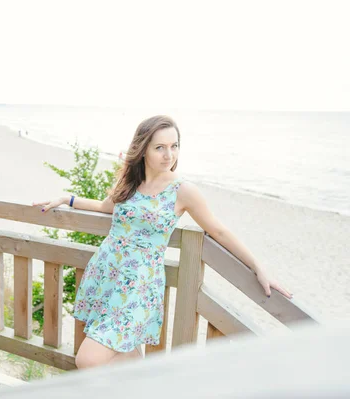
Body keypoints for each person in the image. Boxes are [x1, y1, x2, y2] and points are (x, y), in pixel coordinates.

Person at [32, 115, 293, 370]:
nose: (169, 155)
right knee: (125, 352)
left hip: (138, 287)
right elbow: (105, 207)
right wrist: (68, 199)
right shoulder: (130, 183)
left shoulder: (183, 191)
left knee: (88, 360)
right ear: (143, 149)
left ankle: (144, 378)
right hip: (107, 275)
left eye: (174, 146)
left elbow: (218, 231)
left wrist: (258, 266)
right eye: (160, 147)